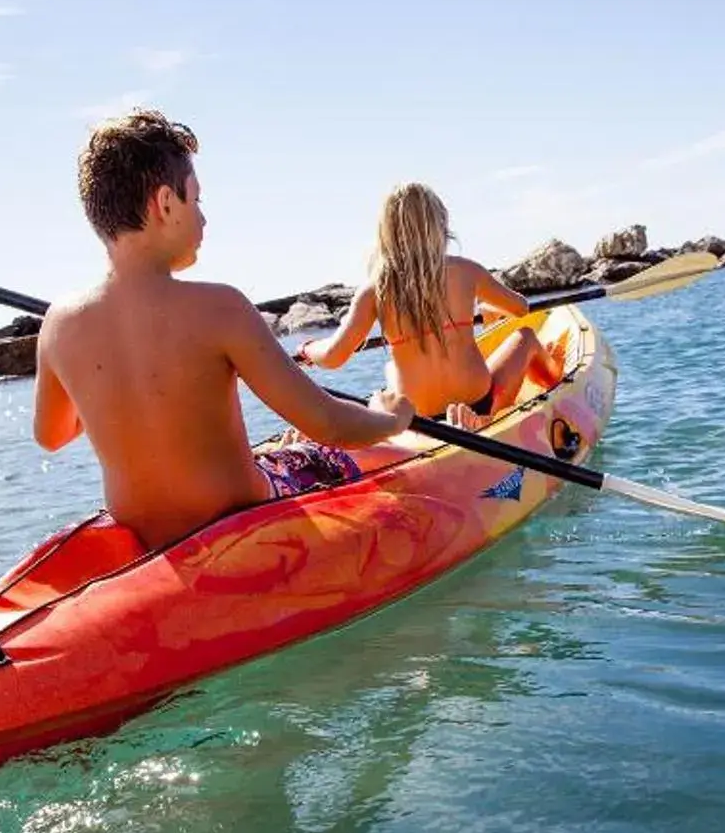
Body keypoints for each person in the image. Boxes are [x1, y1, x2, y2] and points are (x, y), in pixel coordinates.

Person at [33, 111, 413, 552]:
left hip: (149, 537)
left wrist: (106, 387)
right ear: (165, 204)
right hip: (241, 516)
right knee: (333, 455)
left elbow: (52, 435)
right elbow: (328, 422)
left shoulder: (59, 325)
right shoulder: (221, 308)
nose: (204, 220)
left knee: (280, 449)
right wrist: (391, 417)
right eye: (196, 200)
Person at [298, 184, 556, 426]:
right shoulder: (467, 271)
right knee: (526, 336)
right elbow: (520, 308)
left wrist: (308, 349)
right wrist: (489, 308)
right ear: (440, 226)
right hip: (480, 402)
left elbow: (333, 356)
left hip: (419, 419)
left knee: (391, 371)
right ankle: (558, 382)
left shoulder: (374, 289)